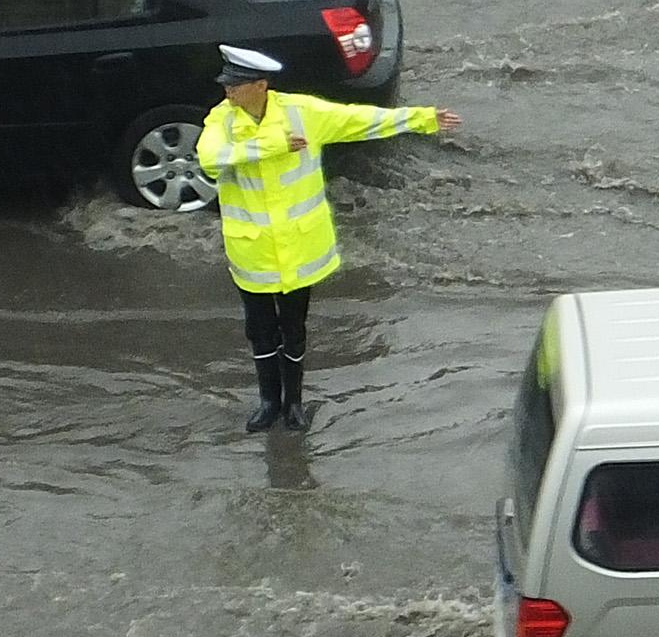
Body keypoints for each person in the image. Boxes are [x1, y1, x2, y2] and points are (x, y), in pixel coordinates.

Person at [196, 44, 462, 433]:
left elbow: (360, 120)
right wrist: (274, 146)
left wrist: (423, 119)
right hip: (252, 251)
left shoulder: (303, 114)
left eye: (236, 85)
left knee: (294, 328)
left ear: (261, 86)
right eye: (227, 85)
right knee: (260, 331)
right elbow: (210, 157)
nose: (228, 92)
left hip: (300, 249)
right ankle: (269, 402)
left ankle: (295, 404)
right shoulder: (221, 121)